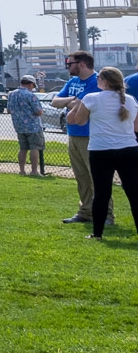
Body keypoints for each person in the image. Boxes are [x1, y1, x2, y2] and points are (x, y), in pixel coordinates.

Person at [70, 66, 138, 239]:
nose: (97, 79)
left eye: (99, 77)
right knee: (133, 192)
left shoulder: (91, 98)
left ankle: (98, 234)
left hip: (101, 150)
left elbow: (79, 121)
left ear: (105, 81)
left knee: (102, 193)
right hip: (129, 149)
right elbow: (136, 126)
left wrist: (76, 105)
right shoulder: (129, 100)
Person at [51, 51, 100, 224]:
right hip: (73, 135)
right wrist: (73, 99)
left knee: (97, 177)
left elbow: (83, 105)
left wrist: (70, 101)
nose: (67, 66)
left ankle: (106, 215)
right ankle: (85, 213)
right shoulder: (72, 82)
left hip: (90, 135)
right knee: (81, 177)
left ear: (81, 63)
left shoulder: (97, 81)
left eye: (69, 63)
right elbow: (55, 102)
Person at [8, 75, 46, 177]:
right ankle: (34, 171)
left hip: (19, 126)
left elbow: (8, 110)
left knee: (23, 148)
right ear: (30, 84)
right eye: (33, 86)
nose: (33, 88)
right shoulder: (30, 95)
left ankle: (22, 170)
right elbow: (38, 111)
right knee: (35, 148)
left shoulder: (11, 94)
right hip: (33, 126)